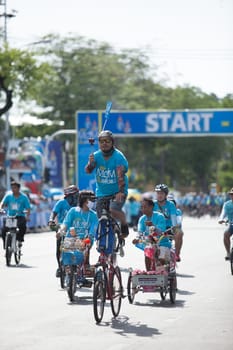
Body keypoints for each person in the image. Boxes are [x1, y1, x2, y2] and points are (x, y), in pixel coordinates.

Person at [85, 130, 129, 238]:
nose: (104, 143)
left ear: (112, 142)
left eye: (107, 141)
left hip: (117, 191)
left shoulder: (118, 157)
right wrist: (91, 164)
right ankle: (109, 238)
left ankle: (123, 222)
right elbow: (88, 170)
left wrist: (120, 192)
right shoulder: (95, 156)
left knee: (113, 210)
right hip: (101, 193)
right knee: (101, 217)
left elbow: (121, 176)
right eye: (101, 141)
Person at [60, 190, 98, 267]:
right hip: (70, 238)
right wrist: (61, 230)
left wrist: (87, 240)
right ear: (85, 201)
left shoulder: (94, 215)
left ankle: (82, 268)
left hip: (86, 239)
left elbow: (93, 231)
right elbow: (66, 223)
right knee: (65, 253)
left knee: (81, 250)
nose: (93, 202)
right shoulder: (73, 211)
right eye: (91, 200)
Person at [48, 184, 79, 277]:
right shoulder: (61, 203)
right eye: (75, 196)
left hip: (75, 229)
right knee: (59, 248)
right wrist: (51, 220)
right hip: (62, 228)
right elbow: (54, 213)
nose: (77, 198)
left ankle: (76, 265)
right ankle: (59, 267)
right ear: (69, 196)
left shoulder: (78, 205)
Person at [132, 198, 167, 270]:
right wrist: (137, 239)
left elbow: (161, 232)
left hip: (162, 241)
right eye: (141, 207)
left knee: (161, 258)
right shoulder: (142, 219)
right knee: (148, 251)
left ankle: (162, 272)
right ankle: (149, 273)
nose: (143, 209)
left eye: (145, 207)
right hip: (149, 242)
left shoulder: (160, 216)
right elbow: (140, 232)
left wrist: (152, 226)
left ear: (151, 207)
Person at [153, 184, 183, 262]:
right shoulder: (152, 204)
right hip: (156, 228)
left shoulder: (171, 205)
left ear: (165, 195)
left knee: (179, 233)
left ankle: (176, 254)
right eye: (158, 193)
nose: (159, 195)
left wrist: (175, 228)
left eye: (162, 193)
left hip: (168, 228)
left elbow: (173, 218)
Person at [0, 181, 31, 249]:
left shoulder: (24, 197)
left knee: (22, 227)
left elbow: (28, 208)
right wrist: (1, 208)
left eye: (15, 188)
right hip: (10, 216)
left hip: (20, 216)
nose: (13, 189)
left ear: (19, 188)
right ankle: (6, 245)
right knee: (4, 230)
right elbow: (2, 203)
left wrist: (27, 216)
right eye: (12, 188)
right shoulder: (8, 196)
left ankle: (20, 240)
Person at [218, 187, 233, 260]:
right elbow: (223, 213)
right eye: (232, 194)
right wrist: (221, 219)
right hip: (231, 224)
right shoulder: (227, 204)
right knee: (226, 234)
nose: (232, 196)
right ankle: (228, 253)